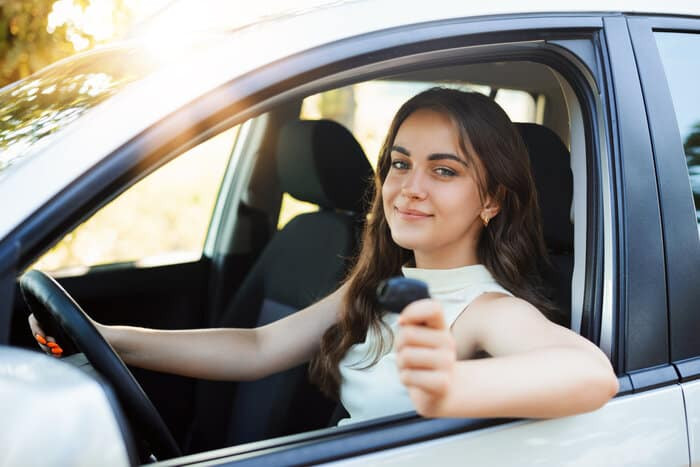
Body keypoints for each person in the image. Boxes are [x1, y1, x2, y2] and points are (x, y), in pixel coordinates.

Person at [29, 87, 618, 426]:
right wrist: (109, 338)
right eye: (400, 162)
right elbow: (257, 348)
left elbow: (593, 375)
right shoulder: (380, 283)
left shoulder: (485, 308)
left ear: (491, 200)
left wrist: (450, 391)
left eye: (445, 170)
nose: (409, 186)